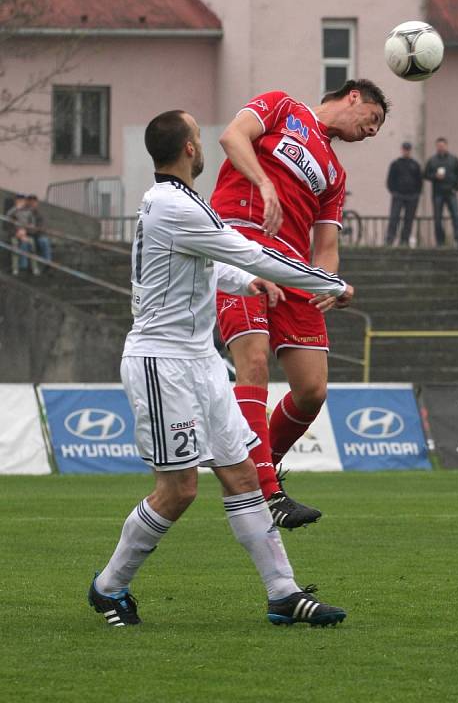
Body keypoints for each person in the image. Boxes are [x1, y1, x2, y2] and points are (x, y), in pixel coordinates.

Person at [88, 109, 353, 628]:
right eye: (198, 133)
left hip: (200, 362)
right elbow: (251, 253)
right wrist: (328, 283)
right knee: (179, 490)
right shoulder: (173, 205)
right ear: (190, 148)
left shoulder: (180, 203)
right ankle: (109, 588)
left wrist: (241, 283)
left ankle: (283, 594)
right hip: (162, 363)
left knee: (242, 476)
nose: (206, 142)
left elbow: (206, 265)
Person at [210, 79, 388, 527]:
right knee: (252, 364)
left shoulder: (335, 174)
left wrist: (326, 281)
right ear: (353, 97)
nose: (373, 132)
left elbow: (326, 243)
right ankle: (266, 492)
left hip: (291, 269)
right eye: (373, 119)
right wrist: (263, 184)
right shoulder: (281, 106)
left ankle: (254, 466)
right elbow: (232, 137)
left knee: (312, 390)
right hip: (238, 243)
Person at [424, 137, 458, 247]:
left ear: (446, 146)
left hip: (451, 192)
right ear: (436, 147)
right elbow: (426, 174)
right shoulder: (432, 160)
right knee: (437, 218)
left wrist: (456, 188)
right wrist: (434, 176)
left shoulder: (453, 159)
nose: (441, 148)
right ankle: (440, 242)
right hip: (438, 193)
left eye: (442, 146)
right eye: (439, 146)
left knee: (456, 217)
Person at [384, 141, 422, 246]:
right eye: (405, 149)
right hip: (398, 195)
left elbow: (419, 181)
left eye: (408, 149)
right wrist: (394, 192)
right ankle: (390, 240)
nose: (406, 151)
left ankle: (404, 241)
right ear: (402, 150)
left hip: (412, 196)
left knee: (408, 220)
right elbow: (390, 180)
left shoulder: (415, 165)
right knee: (394, 217)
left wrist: (416, 194)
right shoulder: (396, 164)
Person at [6, 193, 40, 276]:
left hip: (25, 234)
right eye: (19, 200)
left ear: (25, 201)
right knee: (15, 245)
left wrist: (25, 232)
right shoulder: (13, 210)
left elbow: (32, 224)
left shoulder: (29, 211)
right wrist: (17, 233)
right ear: (16, 201)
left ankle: (35, 268)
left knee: (32, 244)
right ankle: (15, 268)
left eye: (22, 200)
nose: (21, 202)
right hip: (15, 234)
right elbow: (7, 219)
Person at [26, 194, 53, 265]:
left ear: (36, 203)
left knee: (44, 241)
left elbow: (42, 227)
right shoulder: (23, 212)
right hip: (26, 234)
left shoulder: (39, 214)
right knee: (27, 242)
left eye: (34, 202)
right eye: (30, 202)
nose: (32, 204)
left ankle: (48, 263)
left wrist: (34, 230)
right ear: (27, 202)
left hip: (37, 235)